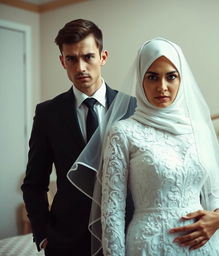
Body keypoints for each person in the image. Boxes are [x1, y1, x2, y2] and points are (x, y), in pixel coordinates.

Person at [100, 38, 219, 255]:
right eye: (152, 77)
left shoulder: (199, 129)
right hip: (149, 245)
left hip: (203, 246)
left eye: (171, 76)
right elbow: (112, 210)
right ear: (141, 79)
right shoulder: (124, 132)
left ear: (181, 79)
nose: (162, 87)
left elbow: (216, 187)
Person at [21, 19, 136, 256]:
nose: (81, 67)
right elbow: (34, 183)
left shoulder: (132, 108)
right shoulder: (47, 113)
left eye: (88, 57)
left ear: (103, 57)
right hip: (66, 240)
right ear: (62, 61)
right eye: (71, 59)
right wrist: (42, 235)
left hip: (125, 235)